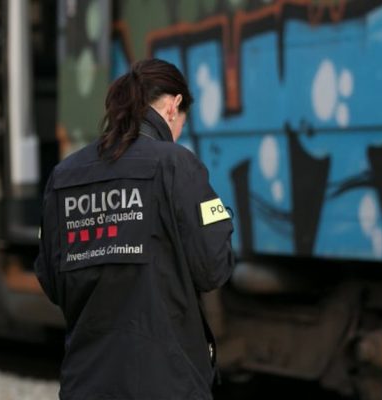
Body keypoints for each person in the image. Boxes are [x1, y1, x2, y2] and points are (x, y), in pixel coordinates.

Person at [34, 58, 235, 399]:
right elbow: (213, 268)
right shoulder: (176, 164)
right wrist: (219, 219)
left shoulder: (65, 175)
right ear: (174, 106)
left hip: (86, 383)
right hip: (167, 384)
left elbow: (53, 281)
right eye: (182, 120)